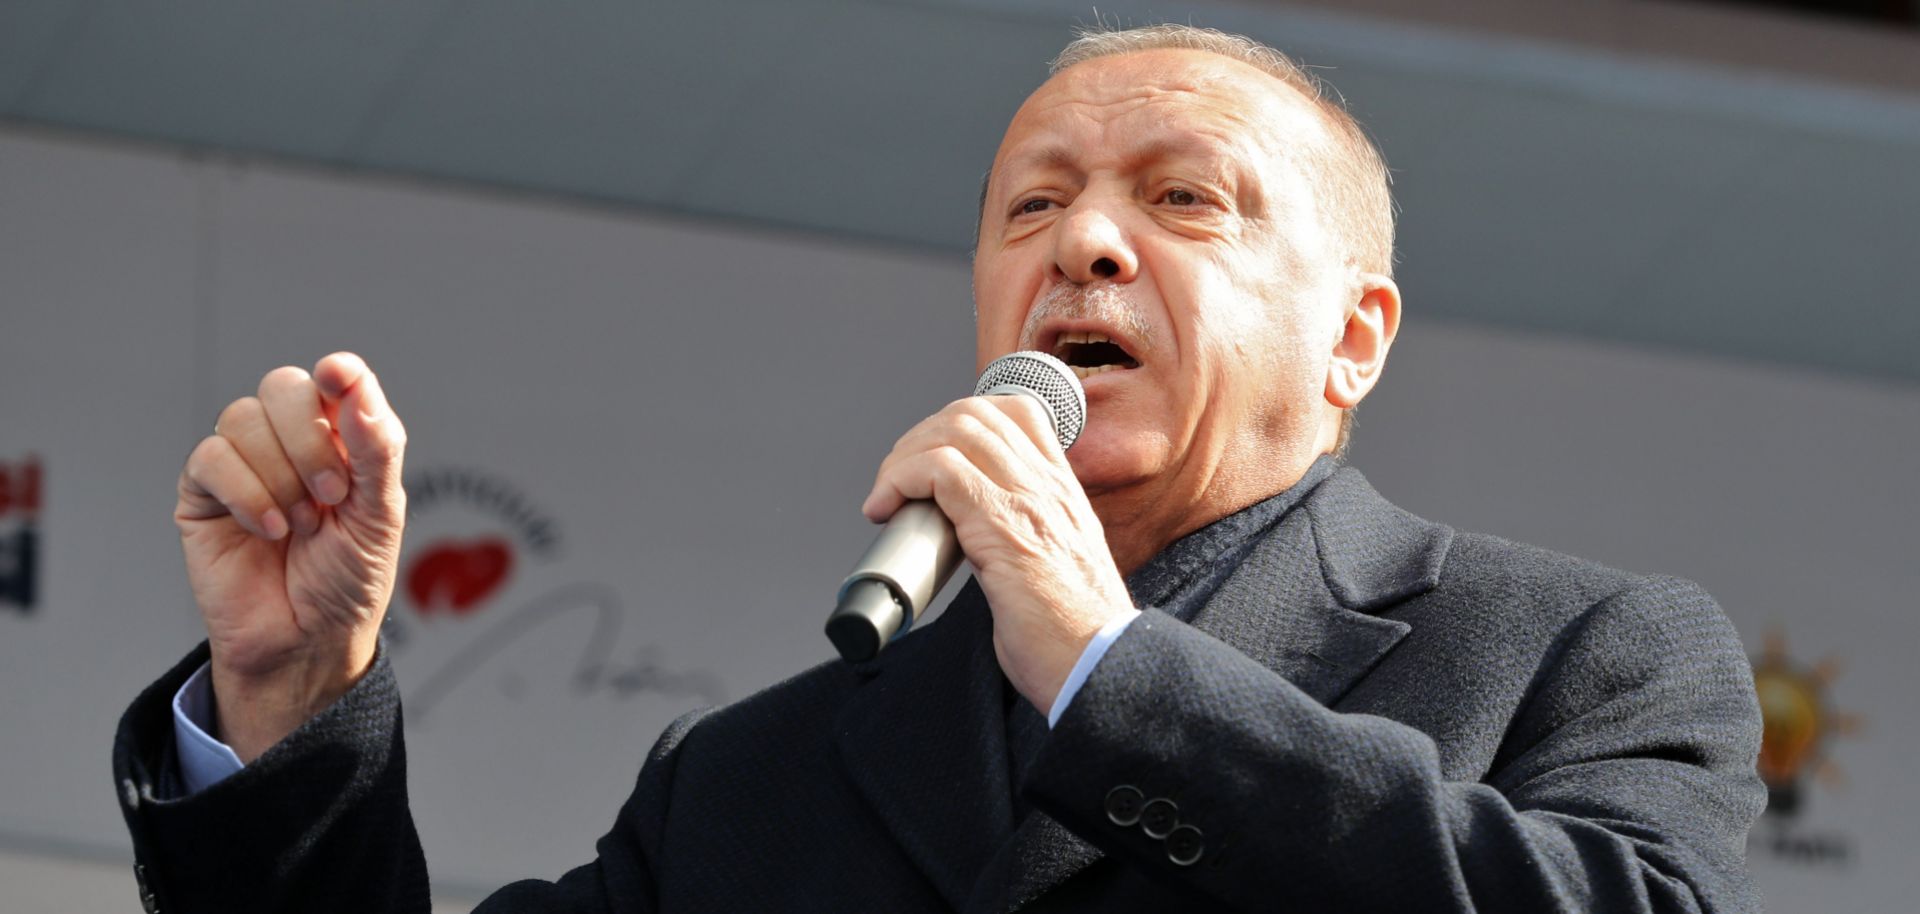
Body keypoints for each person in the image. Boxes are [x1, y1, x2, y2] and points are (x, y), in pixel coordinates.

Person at [112, 24, 1764, 914]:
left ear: (1355, 338)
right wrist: (289, 700)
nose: (1086, 246)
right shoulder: (752, 778)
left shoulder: (1579, 651)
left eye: (1183, 200)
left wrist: (1114, 676)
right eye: (1031, 206)